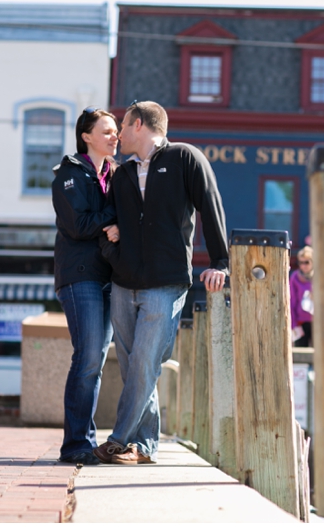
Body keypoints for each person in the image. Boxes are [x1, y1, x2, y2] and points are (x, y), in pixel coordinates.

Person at [94, 100, 229, 465]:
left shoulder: (185, 158)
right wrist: (111, 248)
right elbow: (109, 221)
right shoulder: (121, 175)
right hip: (124, 283)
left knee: (144, 363)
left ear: (139, 125)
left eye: (122, 126)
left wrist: (220, 262)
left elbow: (210, 204)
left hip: (166, 283)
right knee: (133, 366)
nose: (118, 134)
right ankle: (145, 447)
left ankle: (120, 440)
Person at [51, 108, 120, 466]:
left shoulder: (117, 174)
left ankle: (85, 440)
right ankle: (76, 444)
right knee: (88, 357)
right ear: (86, 137)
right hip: (79, 276)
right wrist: (112, 222)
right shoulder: (68, 174)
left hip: (110, 276)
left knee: (95, 361)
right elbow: (77, 224)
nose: (114, 136)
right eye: (106, 131)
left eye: (116, 131)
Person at [290, 246, 314, 347]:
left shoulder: (320, 276)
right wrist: (294, 325)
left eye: (306, 262)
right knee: (301, 354)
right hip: (301, 322)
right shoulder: (295, 277)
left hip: (317, 321)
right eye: (301, 263)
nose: (303, 266)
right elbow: (291, 302)